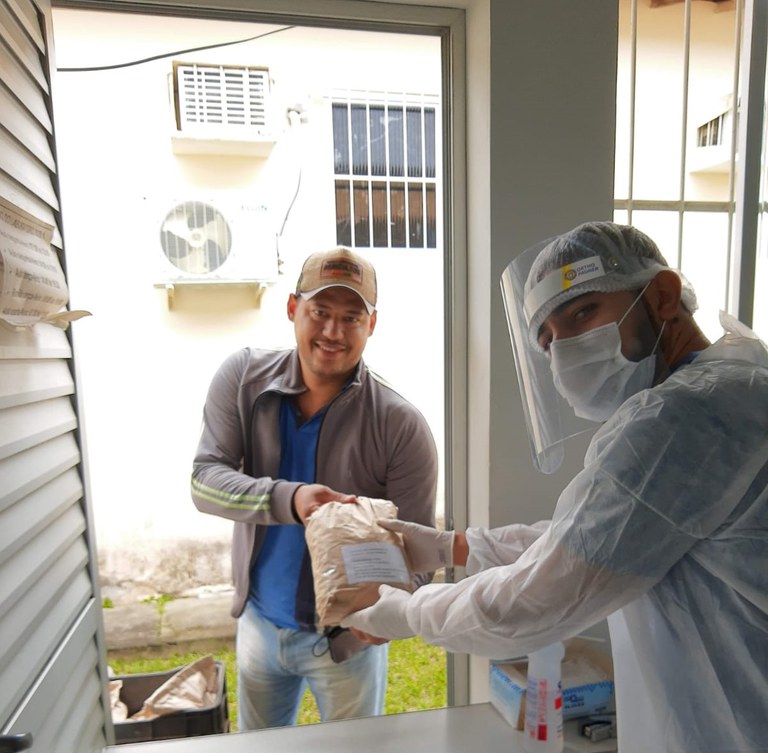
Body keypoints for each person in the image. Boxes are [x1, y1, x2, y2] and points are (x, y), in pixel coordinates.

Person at [342, 222, 768, 753]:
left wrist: (408, 613)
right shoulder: (733, 380)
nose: (563, 348)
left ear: (661, 295)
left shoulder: (681, 418)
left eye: (582, 313)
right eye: (546, 339)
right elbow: (599, 538)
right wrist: (459, 547)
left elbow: (537, 600)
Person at [191, 246, 438, 730]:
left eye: (351, 317)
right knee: (258, 745)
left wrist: (392, 610)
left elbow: (420, 551)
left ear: (372, 325)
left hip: (346, 642)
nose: (332, 331)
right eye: (319, 312)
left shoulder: (400, 425)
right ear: (292, 309)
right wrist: (290, 498)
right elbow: (205, 481)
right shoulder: (243, 380)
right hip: (260, 623)